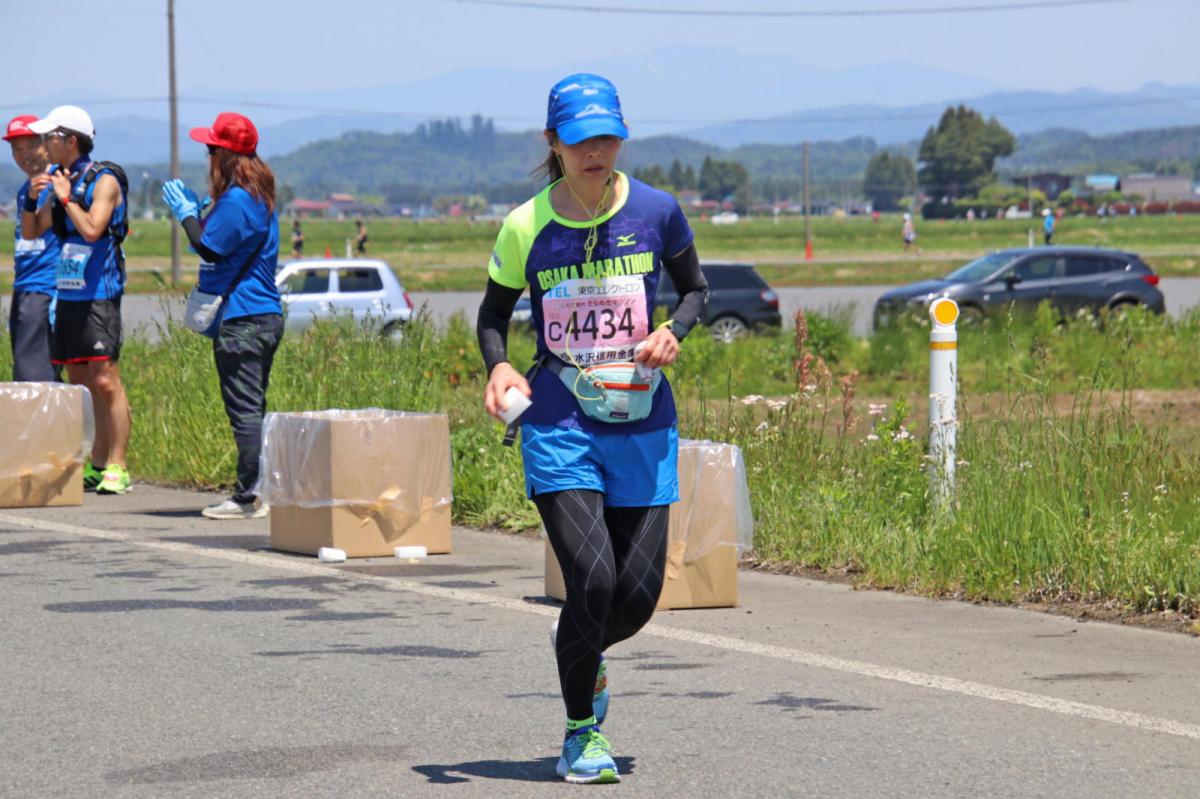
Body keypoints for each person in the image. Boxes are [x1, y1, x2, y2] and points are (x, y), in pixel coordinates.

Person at [476, 73, 708, 784]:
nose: (596, 151)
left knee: (633, 598)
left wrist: (675, 330)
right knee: (594, 577)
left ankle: (577, 641)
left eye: (607, 136)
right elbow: (491, 316)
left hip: (641, 418)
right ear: (554, 143)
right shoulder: (525, 225)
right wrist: (500, 367)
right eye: (580, 140)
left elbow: (697, 289)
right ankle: (582, 733)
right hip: (559, 418)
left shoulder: (658, 211)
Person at [161, 112, 283, 520]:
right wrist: (199, 211)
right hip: (262, 314)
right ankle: (261, 488)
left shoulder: (236, 200)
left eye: (212, 148)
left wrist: (186, 215)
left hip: (243, 317)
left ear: (226, 155)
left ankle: (248, 497)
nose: (207, 154)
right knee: (255, 407)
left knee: (245, 411)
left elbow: (209, 248)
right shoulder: (257, 195)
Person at [23, 106, 132, 494]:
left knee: (105, 380)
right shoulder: (57, 178)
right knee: (81, 382)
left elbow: (92, 230)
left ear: (70, 140)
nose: (42, 145)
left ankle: (118, 465)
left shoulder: (104, 179)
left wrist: (67, 199)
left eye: (49, 137)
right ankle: (97, 461)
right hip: (66, 292)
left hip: (99, 292)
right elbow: (32, 231)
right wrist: (34, 200)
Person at [5, 114, 60, 382]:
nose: (24, 155)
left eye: (30, 146)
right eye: (17, 148)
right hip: (25, 286)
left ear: (46, 145)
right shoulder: (27, 188)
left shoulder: (56, 182)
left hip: (45, 286)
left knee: (35, 380)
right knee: (28, 373)